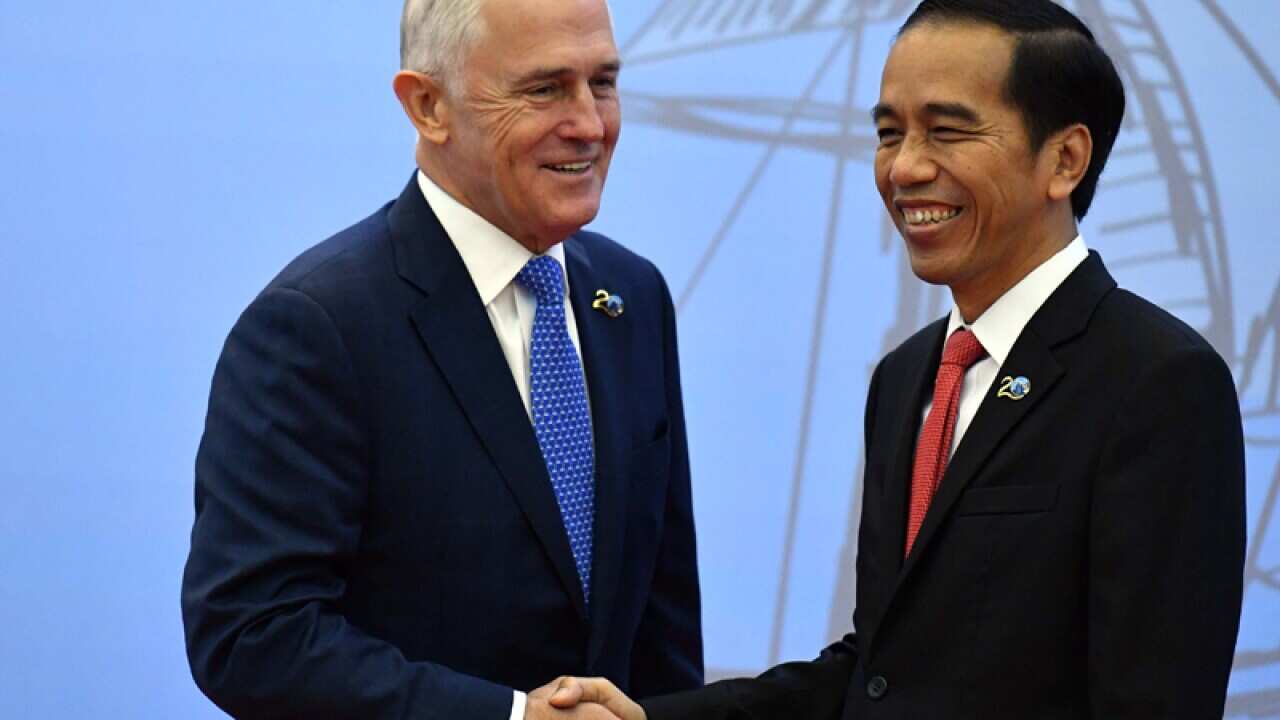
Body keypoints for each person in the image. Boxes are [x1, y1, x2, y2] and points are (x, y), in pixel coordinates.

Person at [549, 0, 1246, 717]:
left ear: (1065, 158)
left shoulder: (1158, 383)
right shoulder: (908, 376)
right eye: (890, 134)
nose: (905, 168)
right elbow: (881, 666)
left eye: (947, 131)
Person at [180, 0, 703, 717]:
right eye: (545, 89)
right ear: (428, 105)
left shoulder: (631, 299)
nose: (589, 124)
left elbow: (661, 625)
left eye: (603, 82)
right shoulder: (317, 327)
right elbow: (251, 635)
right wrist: (510, 718)